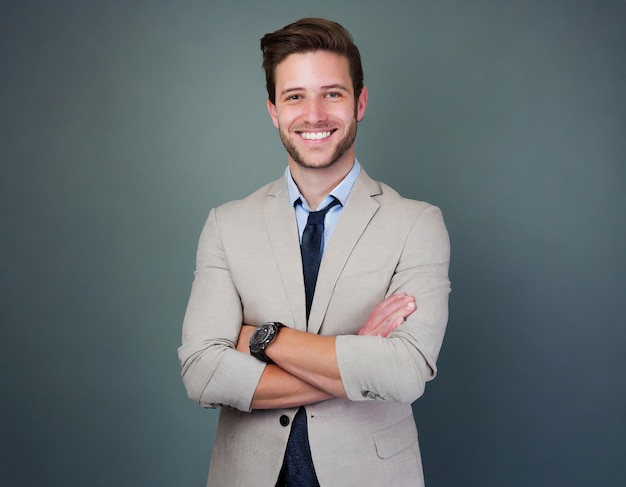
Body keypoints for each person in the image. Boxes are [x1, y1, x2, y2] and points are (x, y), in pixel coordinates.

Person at [179, 17, 451, 487]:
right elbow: (203, 373)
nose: (314, 114)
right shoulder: (226, 224)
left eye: (332, 93)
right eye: (295, 96)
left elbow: (405, 373)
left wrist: (262, 339)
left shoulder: (417, 224)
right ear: (273, 111)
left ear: (360, 102)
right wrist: (357, 355)